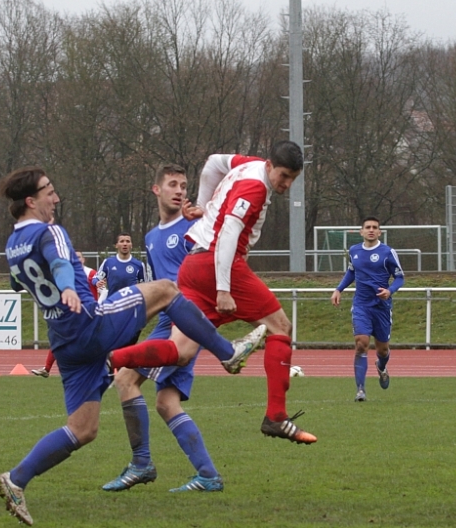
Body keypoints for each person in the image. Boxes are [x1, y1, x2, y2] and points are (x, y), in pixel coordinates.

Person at [0, 166, 266, 525]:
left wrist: (54, 288)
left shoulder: (13, 245)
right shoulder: (49, 230)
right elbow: (58, 261)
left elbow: (17, 283)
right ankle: (229, 354)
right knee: (167, 290)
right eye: (49, 192)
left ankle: (16, 479)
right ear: (31, 200)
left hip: (64, 341)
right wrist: (69, 286)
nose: (55, 198)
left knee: (83, 429)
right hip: (89, 323)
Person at [109, 141, 317, 445]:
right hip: (217, 265)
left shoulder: (247, 164)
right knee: (281, 327)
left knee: (181, 352)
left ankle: (109, 358)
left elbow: (214, 162)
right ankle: (276, 416)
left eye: (292, 179)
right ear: (270, 166)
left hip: (192, 266)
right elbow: (229, 234)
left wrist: (203, 208)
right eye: (283, 176)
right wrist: (223, 289)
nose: (285, 184)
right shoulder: (255, 188)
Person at [103, 164, 224, 493]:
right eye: (173, 184)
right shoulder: (152, 236)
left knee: (125, 379)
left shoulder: (194, 227)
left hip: (185, 322)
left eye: (184, 185)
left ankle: (142, 464)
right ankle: (208, 475)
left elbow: (213, 262)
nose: (180, 190)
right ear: (156, 189)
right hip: (168, 321)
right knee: (166, 402)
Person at [331, 217, 405, 401]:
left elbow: (400, 277)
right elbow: (351, 272)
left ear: (379, 232)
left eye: (375, 227)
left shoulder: (388, 252)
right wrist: (339, 289)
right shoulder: (354, 251)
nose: (371, 230)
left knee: (383, 350)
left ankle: (381, 366)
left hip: (381, 307)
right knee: (361, 343)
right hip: (361, 305)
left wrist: (390, 291)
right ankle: (360, 390)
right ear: (361, 231)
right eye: (367, 227)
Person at [31, 251, 103, 378]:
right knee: (60, 338)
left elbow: (99, 285)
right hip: (72, 312)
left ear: (84, 259)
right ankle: (47, 368)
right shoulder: (67, 273)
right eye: (74, 257)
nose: (77, 259)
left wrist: (99, 288)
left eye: (79, 257)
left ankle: (104, 369)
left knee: (95, 342)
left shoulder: (90, 273)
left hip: (89, 314)